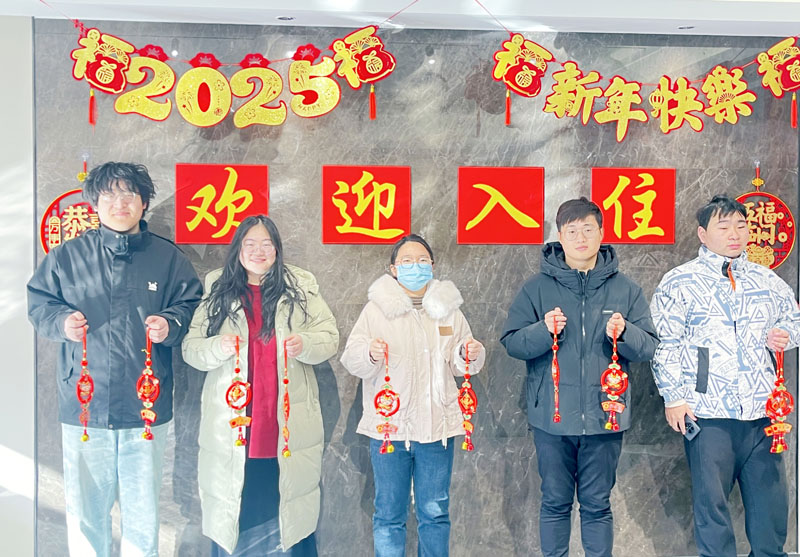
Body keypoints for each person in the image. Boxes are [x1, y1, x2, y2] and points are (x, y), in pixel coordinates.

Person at [27, 162, 203, 556]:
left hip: (146, 407)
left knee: (143, 516)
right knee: (86, 516)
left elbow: (191, 304)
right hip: (86, 406)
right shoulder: (68, 257)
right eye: (109, 194)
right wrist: (61, 322)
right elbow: (40, 304)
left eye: (128, 194)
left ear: (144, 203)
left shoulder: (168, 258)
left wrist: (170, 324)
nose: (119, 203)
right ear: (94, 203)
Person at [500, 197, 658, 557]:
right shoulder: (536, 288)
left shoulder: (626, 289)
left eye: (588, 229)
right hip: (552, 418)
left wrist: (626, 332)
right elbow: (512, 342)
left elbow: (649, 346)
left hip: (606, 415)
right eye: (572, 231)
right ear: (560, 236)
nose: (581, 238)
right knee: (555, 502)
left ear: (602, 233)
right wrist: (543, 330)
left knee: (598, 504)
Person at [651, 195, 800, 557]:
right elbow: (664, 343)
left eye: (741, 225)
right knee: (712, 510)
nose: (734, 233)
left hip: (762, 414)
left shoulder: (766, 280)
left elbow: (793, 319)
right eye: (724, 226)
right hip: (707, 414)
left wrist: (785, 333)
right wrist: (674, 396)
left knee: (770, 511)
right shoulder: (679, 282)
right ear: (703, 234)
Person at [181, 215, 338, 556]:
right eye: (250, 244)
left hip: (287, 428)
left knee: (290, 515)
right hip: (234, 430)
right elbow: (191, 348)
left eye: (267, 244)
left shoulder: (299, 287)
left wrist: (305, 344)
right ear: (238, 250)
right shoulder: (218, 288)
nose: (258, 251)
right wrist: (216, 347)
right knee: (235, 516)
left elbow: (329, 337)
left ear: (277, 249)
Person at [340, 234, 485, 557]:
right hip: (390, 430)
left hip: (437, 428)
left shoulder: (449, 311)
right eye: (406, 261)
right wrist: (370, 353)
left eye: (422, 260)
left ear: (432, 266)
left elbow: (462, 363)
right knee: (389, 514)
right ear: (393, 269)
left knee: (435, 513)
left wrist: (469, 352)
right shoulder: (376, 311)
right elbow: (351, 359)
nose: (415, 267)